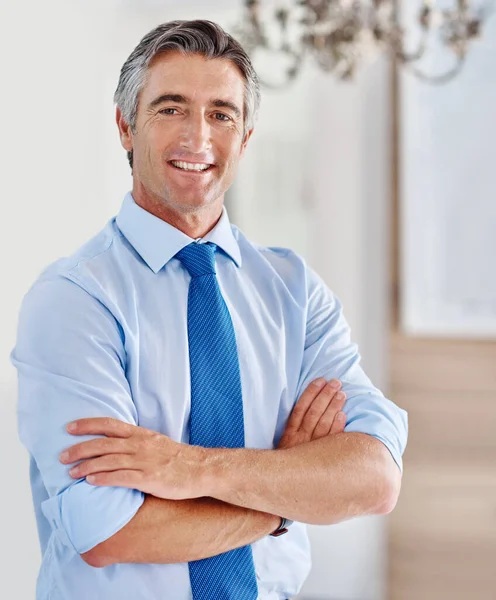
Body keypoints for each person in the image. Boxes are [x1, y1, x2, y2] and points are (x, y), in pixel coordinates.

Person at [11, 19, 408, 600]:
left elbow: (374, 478)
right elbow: (110, 532)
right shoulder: (74, 299)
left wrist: (187, 468)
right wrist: (283, 496)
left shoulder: (294, 290)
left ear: (245, 138)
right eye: (171, 109)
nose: (198, 137)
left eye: (222, 114)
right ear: (125, 126)